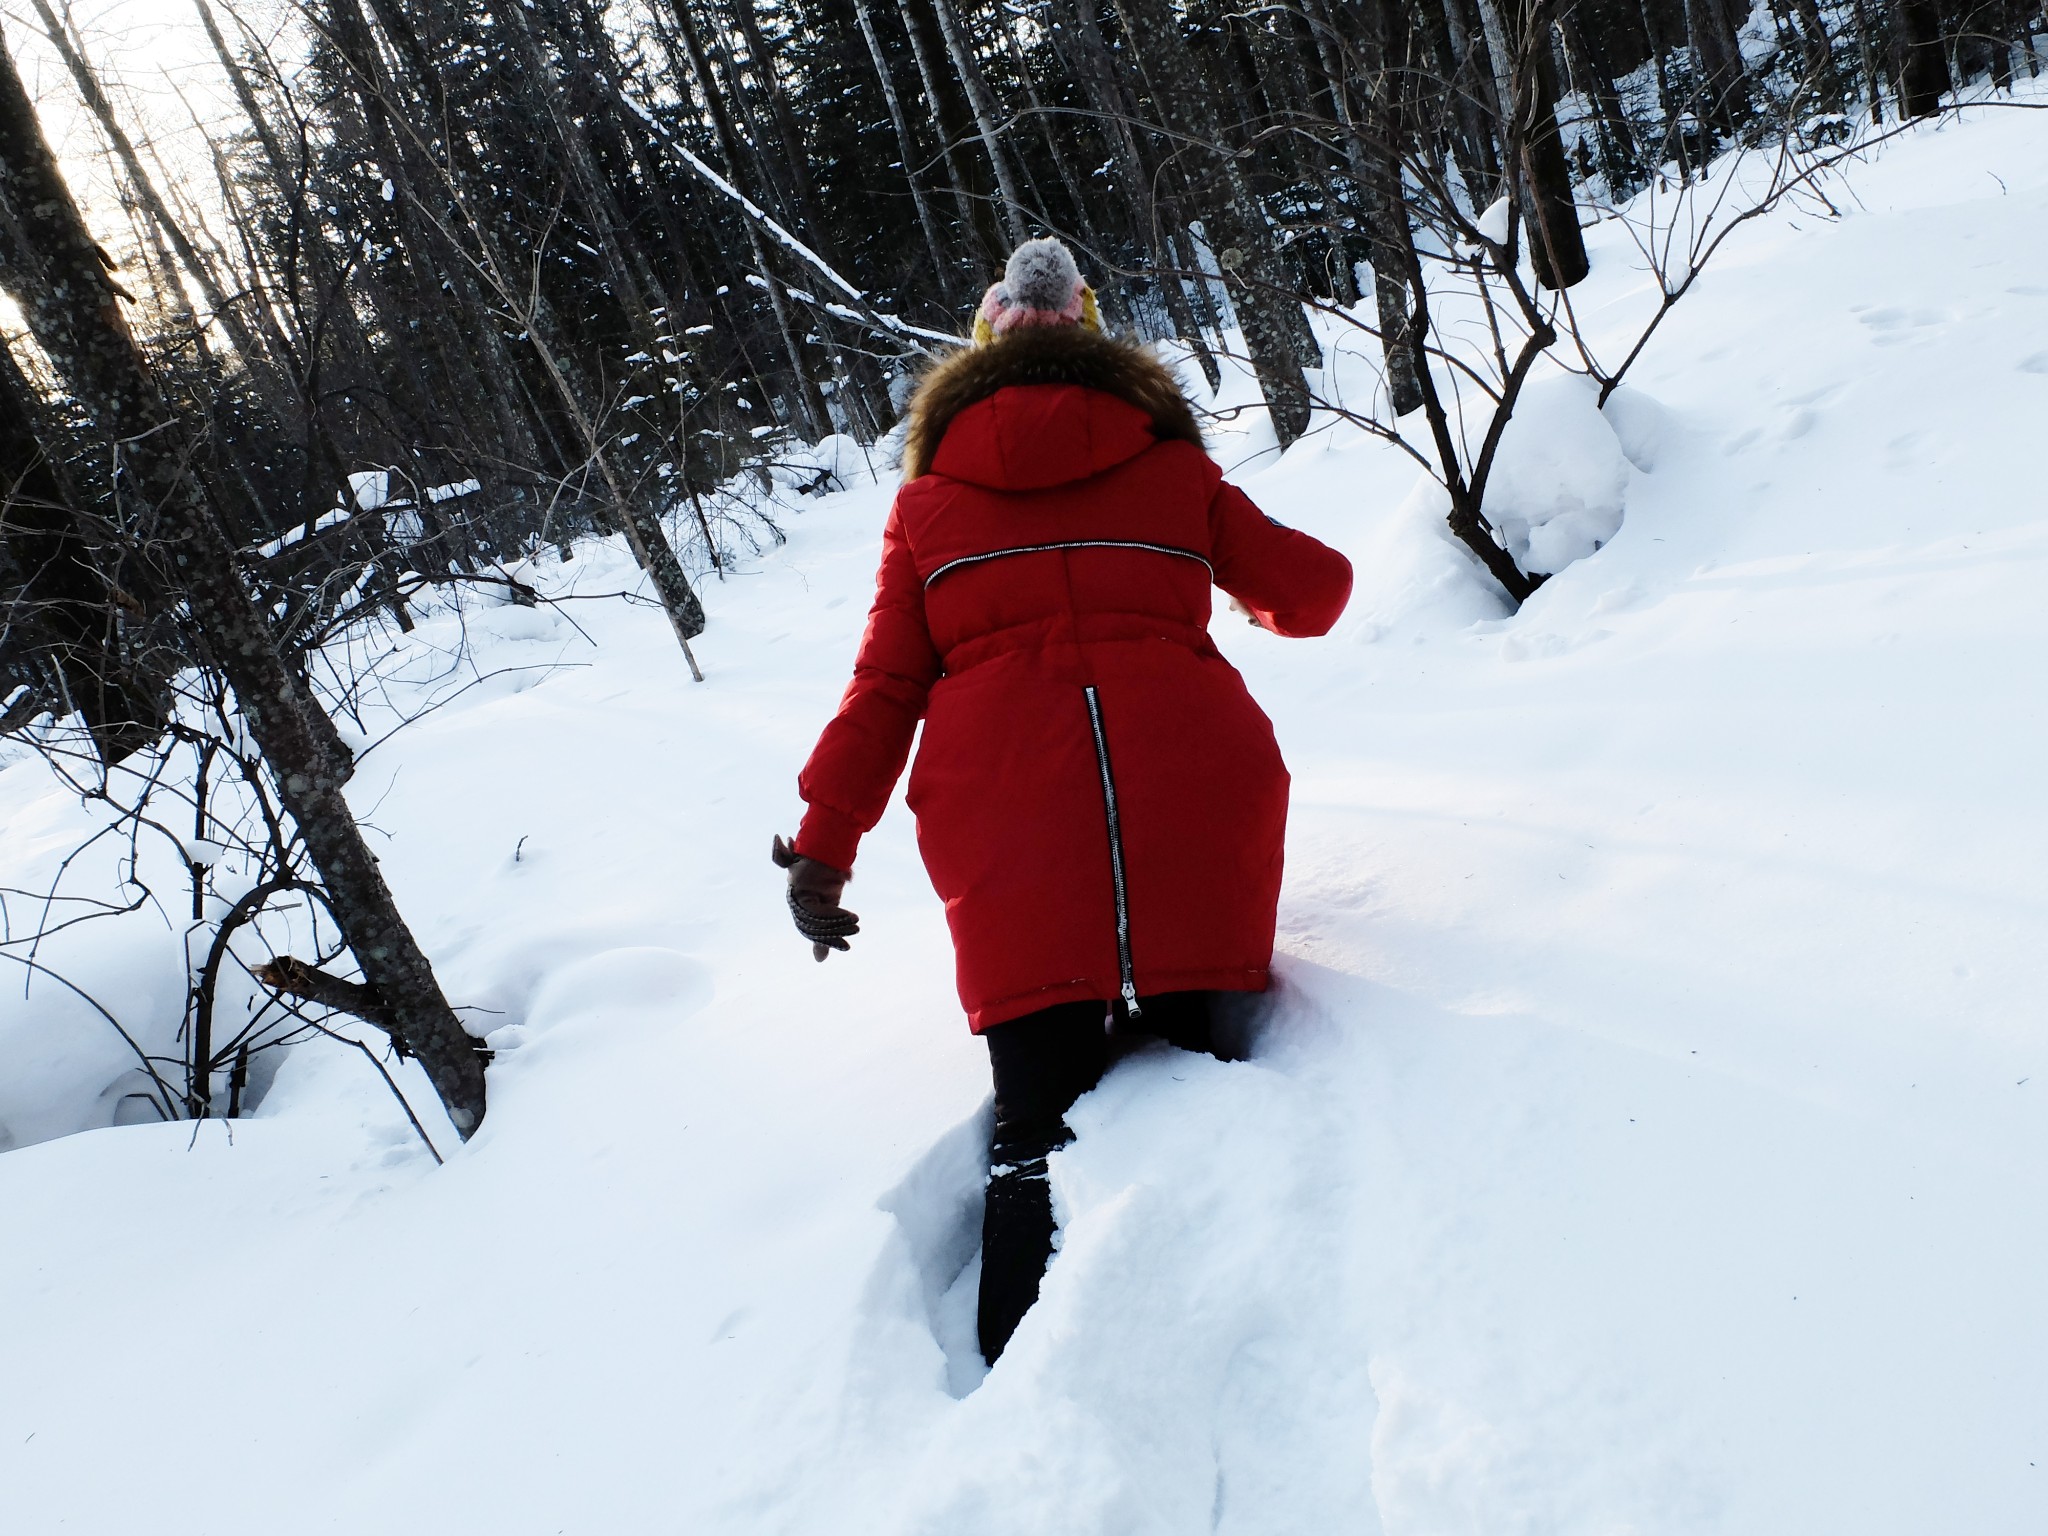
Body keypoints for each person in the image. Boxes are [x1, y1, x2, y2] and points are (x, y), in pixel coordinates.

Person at [775, 237, 1352, 1364]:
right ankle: (1255, 1345)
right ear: (1093, 335)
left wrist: (823, 844)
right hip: (1199, 815)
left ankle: (1018, 1375)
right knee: (1205, 1074)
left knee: (1031, 1121)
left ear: (983, 344)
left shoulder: (928, 508)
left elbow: (886, 687)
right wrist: (1217, 590)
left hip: (1010, 842)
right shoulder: (1171, 466)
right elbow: (1317, 594)